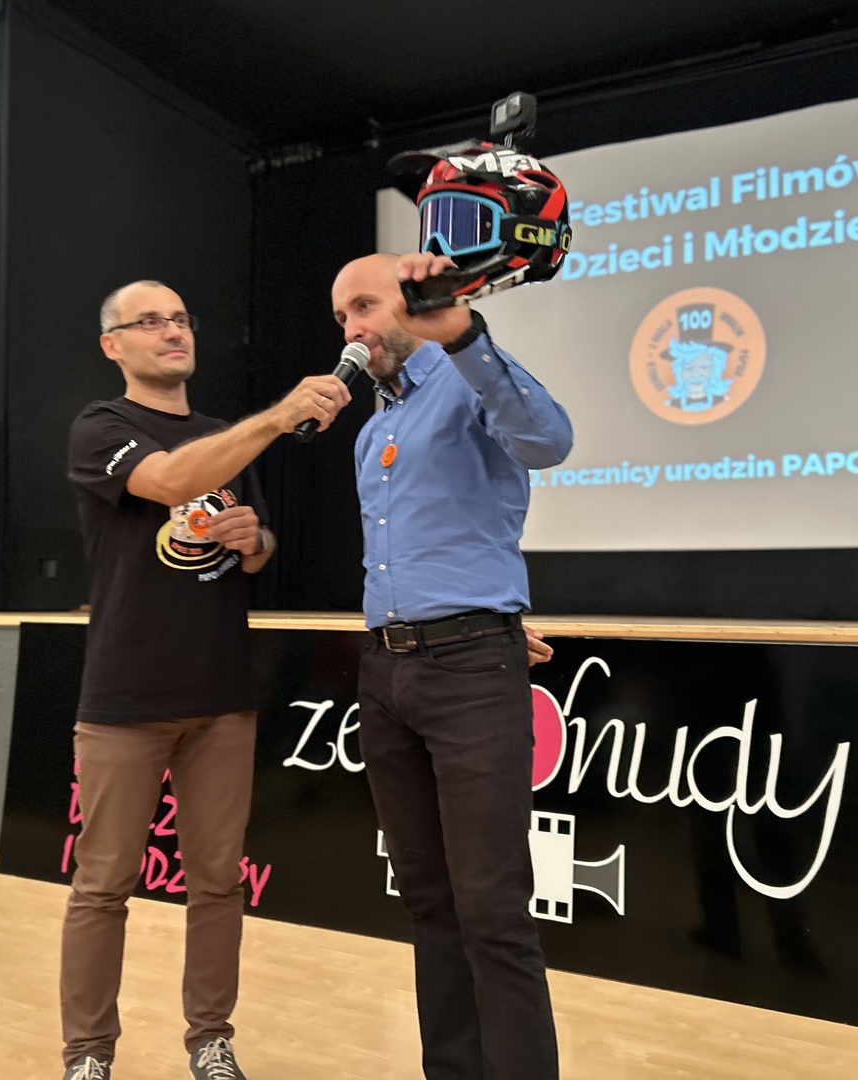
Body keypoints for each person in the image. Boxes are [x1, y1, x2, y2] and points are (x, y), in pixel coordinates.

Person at [60, 279, 351, 1080]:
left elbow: (256, 553)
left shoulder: (225, 437)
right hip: (126, 699)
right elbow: (168, 483)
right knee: (103, 885)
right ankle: (88, 1054)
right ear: (113, 345)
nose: (172, 331)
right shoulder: (101, 426)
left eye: (181, 319)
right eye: (149, 321)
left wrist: (254, 538)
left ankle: (210, 1040)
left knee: (218, 882)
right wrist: (278, 416)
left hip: (222, 696)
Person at [330, 251, 572, 1080]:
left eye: (365, 306)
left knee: (493, 912)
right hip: (387, 674)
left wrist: (465, 335)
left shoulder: (470, 382)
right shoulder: (373, 431)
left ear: (412, 303)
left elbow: (548, 440)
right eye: (341, 318)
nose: (352, 328)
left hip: (470, 673)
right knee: (428, 904)